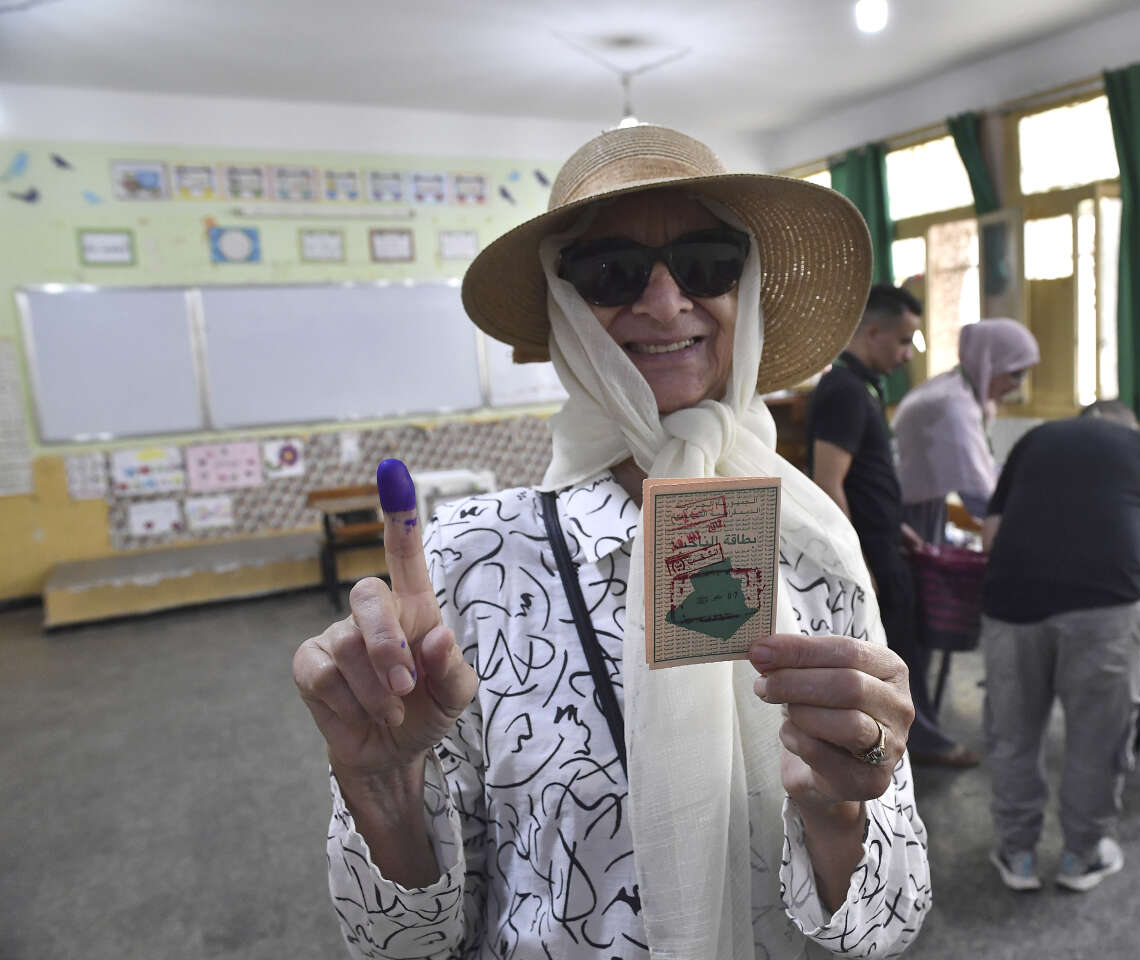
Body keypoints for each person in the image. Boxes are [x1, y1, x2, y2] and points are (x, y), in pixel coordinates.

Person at [291, 125, 929, 960]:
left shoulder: (813, 548)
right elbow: (399, 945)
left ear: (748, 288)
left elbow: (889, 921)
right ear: (565, 309)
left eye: (708, 264)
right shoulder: (474, 564)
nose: (667, 305)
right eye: (611, 273)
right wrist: (381, 787)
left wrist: (843, 810)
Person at [979, 400, 1140, 892]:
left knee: (1014, 734)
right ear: (1130, 426)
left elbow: (992, 537)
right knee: (1096, 741)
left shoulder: (1036, 440)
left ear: (1080, 419)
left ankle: (1018, 856)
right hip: (1104, 610)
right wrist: (1132, 577)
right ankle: (1082, 856)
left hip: (1012, 604)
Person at [807, 284, 980, 769]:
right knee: (897, 655)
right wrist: (858, 562)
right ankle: (911, 743)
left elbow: (865, 478)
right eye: (904, 341)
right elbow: (829, 482)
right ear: (873, 330)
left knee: (908, 645)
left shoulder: (863, 386)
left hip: (885, 542)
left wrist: (895, 526)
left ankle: (911, 734)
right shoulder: (842, 388)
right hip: (869, 554)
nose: (908, 354)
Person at [892, 318, 1040, 540]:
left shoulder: (954, 389)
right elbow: (978, 492)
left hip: (918, 507)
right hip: (906, 517)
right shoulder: (953, 404)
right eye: (1016, 374)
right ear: (990, 363)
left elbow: (984, 472)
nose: (1019, 385)